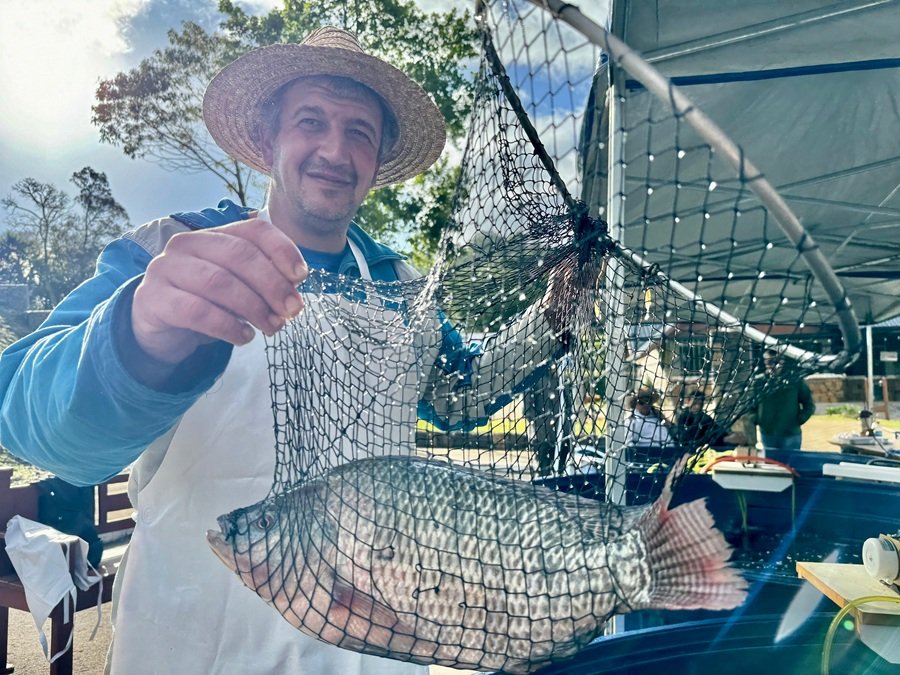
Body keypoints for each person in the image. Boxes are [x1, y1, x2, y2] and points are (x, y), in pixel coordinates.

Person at [0, 28, 573, 675]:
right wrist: (135, 336)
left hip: (375, 648)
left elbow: (458, 393)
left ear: (379, 158)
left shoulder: (404, 284)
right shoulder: (172, 245)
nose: (335, 147)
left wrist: (553, 316)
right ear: (269, 141)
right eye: (312, 121)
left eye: (359, 130)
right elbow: (26, 414)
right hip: (197, 643)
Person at [751, 349, 816, 452]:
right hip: (768, 433)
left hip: (790, 433)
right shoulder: (758, 382)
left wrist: (799, 420)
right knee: (771, 465)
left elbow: (809, 404)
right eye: (770, 362)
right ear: (765, 362)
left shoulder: (795, 380)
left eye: (777, 362)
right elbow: (750, 406)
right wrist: (757, 420)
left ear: (782, 362)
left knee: (791, 464)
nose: (774, 366)